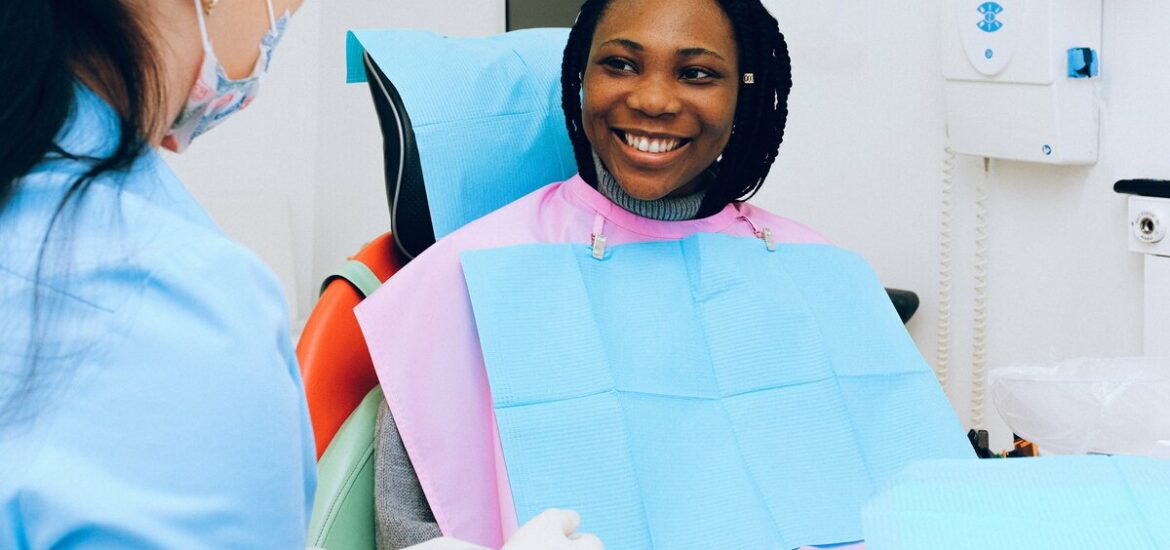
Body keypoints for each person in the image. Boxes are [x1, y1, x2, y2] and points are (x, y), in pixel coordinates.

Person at [358, 0, 973, 548]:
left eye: (697, 73)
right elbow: (408, 529)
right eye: (621, 64)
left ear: (743, 97)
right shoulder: (467, 275)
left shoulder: (819, 273)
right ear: (580, 80)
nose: (653, 99)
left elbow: (928, 502)